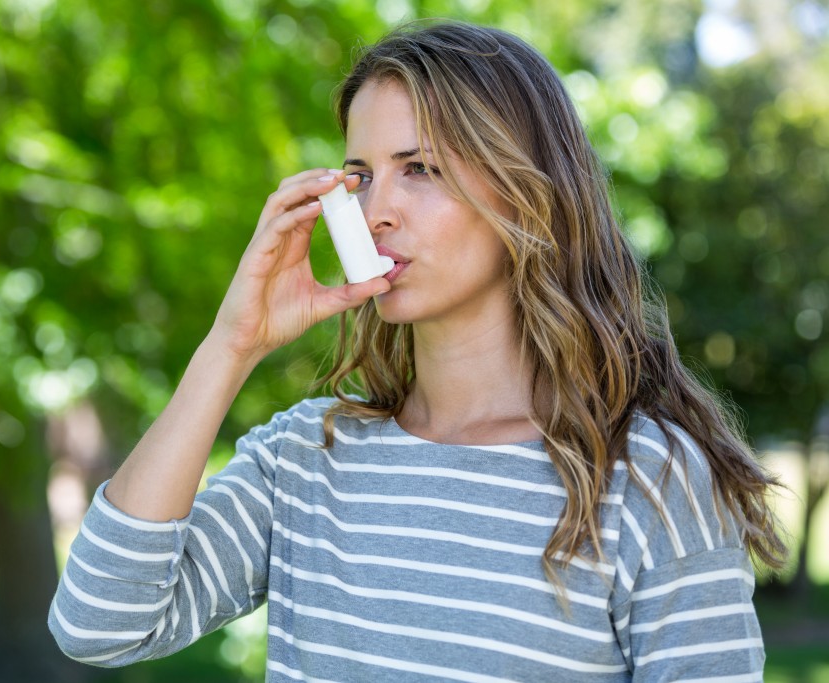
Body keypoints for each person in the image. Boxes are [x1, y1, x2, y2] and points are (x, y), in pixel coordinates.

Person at [48, 20, 786, 681]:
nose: (374, 212)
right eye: (360, 176)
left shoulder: (645, 479)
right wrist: (230, 345)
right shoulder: (305, 457)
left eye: (421, 168)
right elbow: (98, 625)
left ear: (530, 195)